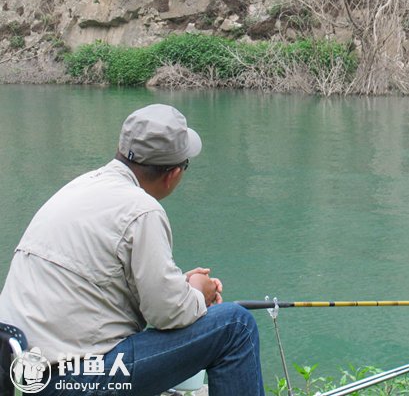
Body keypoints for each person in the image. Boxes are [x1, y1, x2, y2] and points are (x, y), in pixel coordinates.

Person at [0, 104, 265, 396]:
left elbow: (102, 286)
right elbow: (170, 314)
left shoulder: (79, 187)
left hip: (31, 374)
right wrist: (198, 293)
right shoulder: (142, 210)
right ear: (174, 174)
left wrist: (180, 288)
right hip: (78, 381)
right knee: (235, 325)